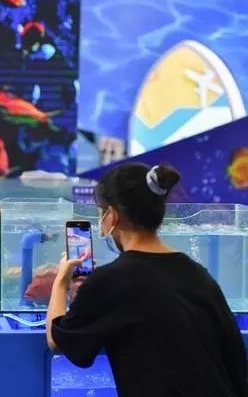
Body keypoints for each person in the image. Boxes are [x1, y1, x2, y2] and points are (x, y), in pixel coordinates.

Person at [46, 162, 248, 396]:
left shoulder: (110, 281)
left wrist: (61, 282)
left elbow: (58, 341)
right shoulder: (199, 275)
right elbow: (235, 360)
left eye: (100, 212)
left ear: (112, 216)